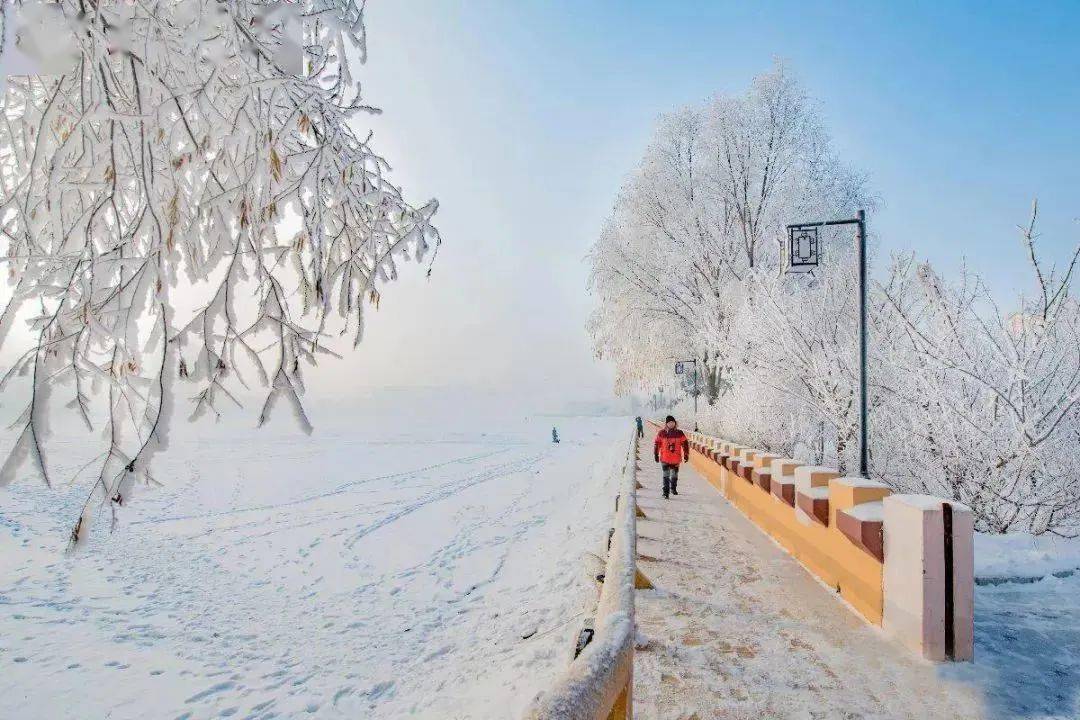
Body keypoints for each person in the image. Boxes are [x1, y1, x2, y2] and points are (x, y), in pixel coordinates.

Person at [653, 415, 689, 499]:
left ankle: (673, 488)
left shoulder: (679, 433)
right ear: (666, 424)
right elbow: (657, 443)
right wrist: (656, 454)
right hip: (665, 458)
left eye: (673, 422)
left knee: (674, 475)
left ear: (675, 423)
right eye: (669, 422)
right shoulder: (661, 433)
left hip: (676, 459)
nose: (671, 424)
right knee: (666, 475)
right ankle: (666, 492)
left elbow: (685, 444)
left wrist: (686, 454)